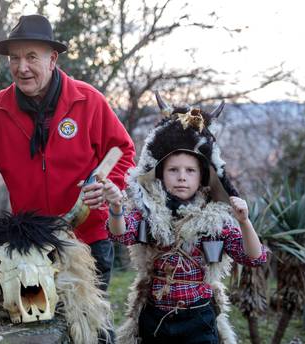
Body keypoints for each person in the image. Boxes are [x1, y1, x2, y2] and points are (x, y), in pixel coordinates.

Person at [0, 14, 135, 291]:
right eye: (14, 58)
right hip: (32, 241)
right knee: (44, 321)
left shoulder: (88, 100)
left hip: (89, 237)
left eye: (31, 57)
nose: (22, 67)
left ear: (52, 60)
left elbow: (123, 150)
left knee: (91, 324)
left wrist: (109, 186)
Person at [101, 93, 267, 344]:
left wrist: (244, 221)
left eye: (190, 171)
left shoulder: (216, 220)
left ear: (202, 177)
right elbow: (120, 232)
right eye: (173, 170)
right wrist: (115, 206)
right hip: (155, 317)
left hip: (198, 318)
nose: (181, 177)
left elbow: (254, 257)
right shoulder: (148, 213)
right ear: (160, 174)